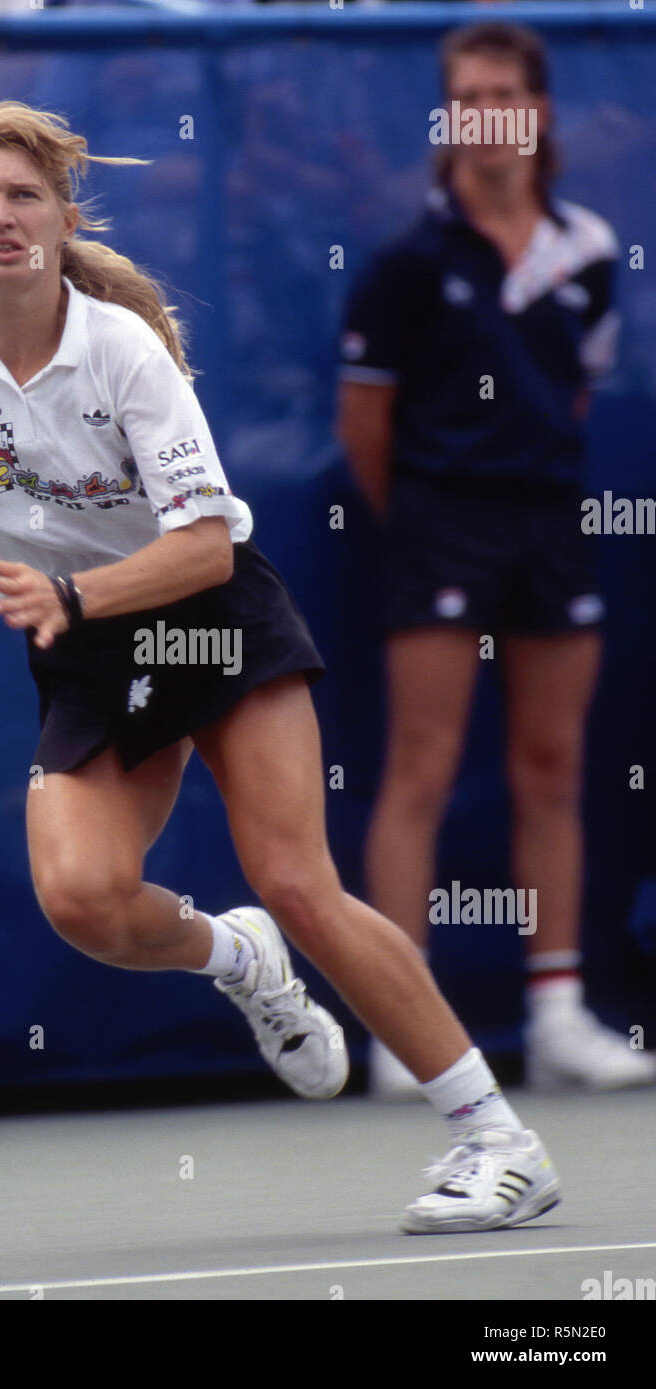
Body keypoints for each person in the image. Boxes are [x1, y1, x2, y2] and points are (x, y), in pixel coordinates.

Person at [0, 100, 562, 1233]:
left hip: (206, 616)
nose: (2, 215)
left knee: (297, 876)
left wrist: (75, 593)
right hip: (86, 650)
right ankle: (238, 959)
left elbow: (203, 543)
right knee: (83, 899)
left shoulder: (123, 351)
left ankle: (499, 1139)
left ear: (58, 219)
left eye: (24, 195)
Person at [337, 22, 656, 1097]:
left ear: (538, 110)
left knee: (552, 768)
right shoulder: (404, 269)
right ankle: (401, 1032)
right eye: (463, 97)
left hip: (552, 524)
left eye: (501, 95)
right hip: (436, 523)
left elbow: (571, 394)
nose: (483, 115)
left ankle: (559, 1013)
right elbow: (363, 427)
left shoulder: (590, 253)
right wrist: (430, 513)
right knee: (420, 767)